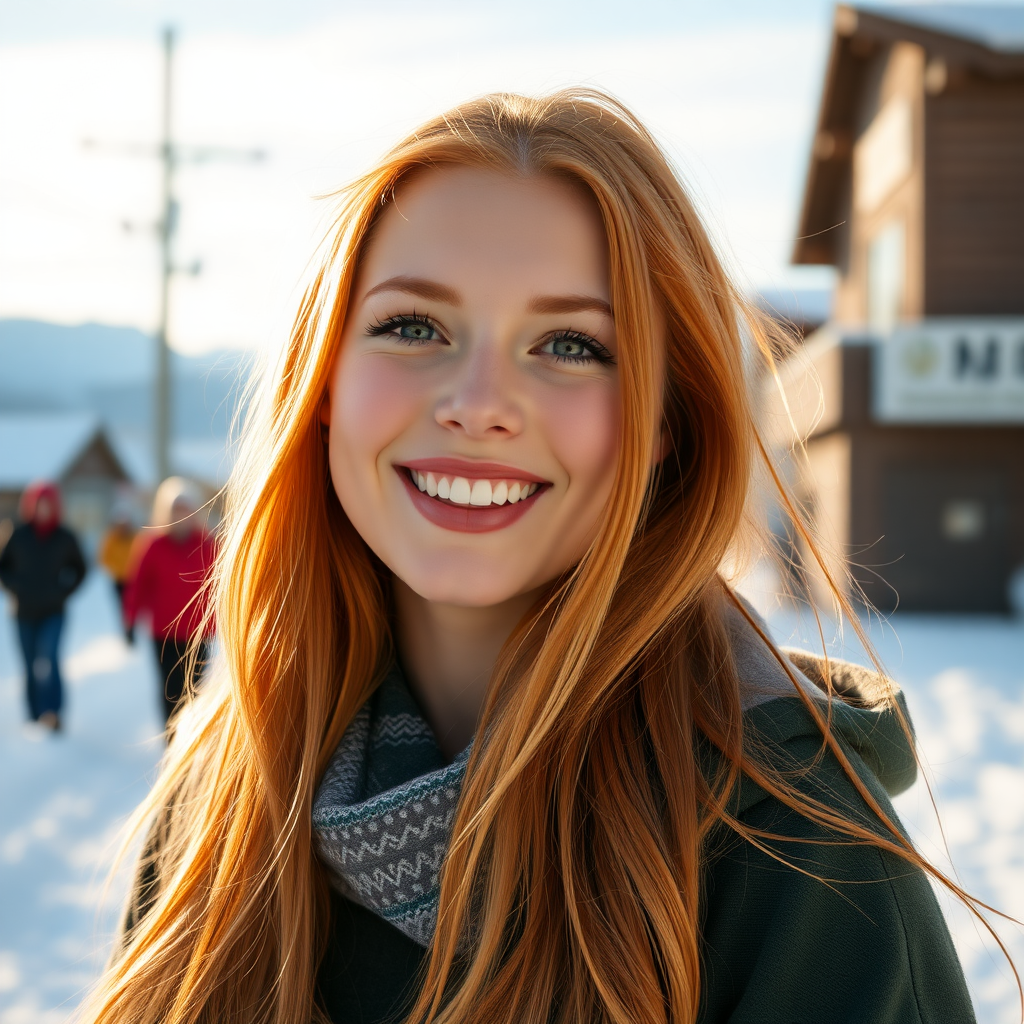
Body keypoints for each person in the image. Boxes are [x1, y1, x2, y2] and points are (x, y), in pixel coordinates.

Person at [82, 91, 992, 1024]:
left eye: (569, 344)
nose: (477, 403)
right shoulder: (226, 795)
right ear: (323, 381)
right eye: (412, 327)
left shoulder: (797, 853)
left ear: (666, 426)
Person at [122, 477, 217, 726]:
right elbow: (138, 585)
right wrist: (130, 620)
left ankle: (191, 742)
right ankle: (172, 743)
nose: (181, 514)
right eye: (176, 508)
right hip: (164, 635)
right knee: (170, 691)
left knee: (194, 691)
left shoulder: (207, 545)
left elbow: (219, 587)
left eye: (185, 508)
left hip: (198, 634)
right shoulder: (153, 545)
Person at [0, 481, 86, 731]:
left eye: (48, 504)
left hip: (53, 611)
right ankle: (33, 715)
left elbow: (80, 568)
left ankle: (53, 713)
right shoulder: (17, 533)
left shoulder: (65, 536)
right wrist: (15, 587)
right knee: (29, 664)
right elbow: (3, 567)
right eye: (39, 504)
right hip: (23, 612)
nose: (43, 509)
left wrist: (63, 592)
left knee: (49, 659)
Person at [97, 504, 138, 613]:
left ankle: (129, 625)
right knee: (121, 605)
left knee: (132, 604)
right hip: (118, 579)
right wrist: (113, 569)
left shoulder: (135, 538)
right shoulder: (111, 538)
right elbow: (104, 557)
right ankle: (126, 625)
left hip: (133, 578)